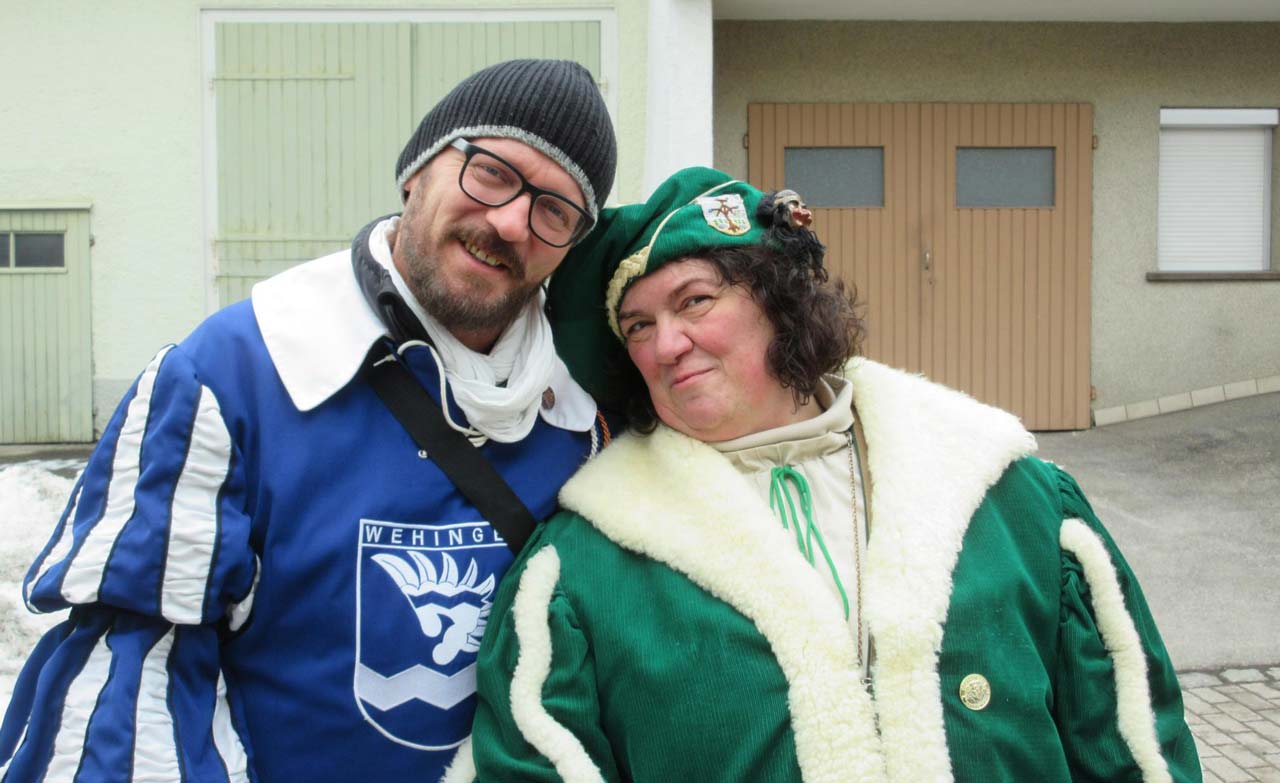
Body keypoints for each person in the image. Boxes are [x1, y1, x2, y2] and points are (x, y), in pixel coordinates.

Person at [469, 168, 1202, 782]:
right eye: (638, 326)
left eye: (695, 300)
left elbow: (1137, 747)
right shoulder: (578, 571)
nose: (667, 344)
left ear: (778, 300)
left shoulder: (1017, 503)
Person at [0, 59, 616, 783]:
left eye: (555, 211)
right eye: (490, 172)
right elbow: (132, 685)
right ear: (416, 171)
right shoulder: (228, 377)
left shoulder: (589, 412)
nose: (512, 221)